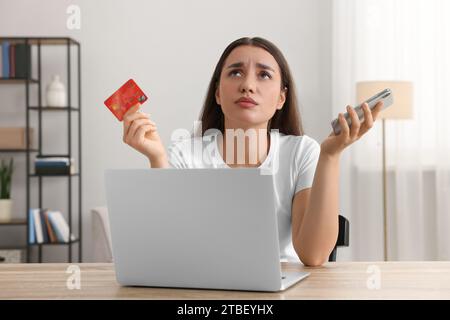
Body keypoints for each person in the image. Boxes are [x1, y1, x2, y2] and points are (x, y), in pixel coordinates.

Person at [121, 37, 383, 266]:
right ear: (218, 94)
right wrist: (156, 158)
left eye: (264, 75)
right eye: (235, 73)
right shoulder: (185, 154)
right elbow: (170, 246)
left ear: (282, 98)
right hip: (206, 286)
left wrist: (330, 156)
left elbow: (313, 256)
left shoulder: (302, 151)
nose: (247, 85)